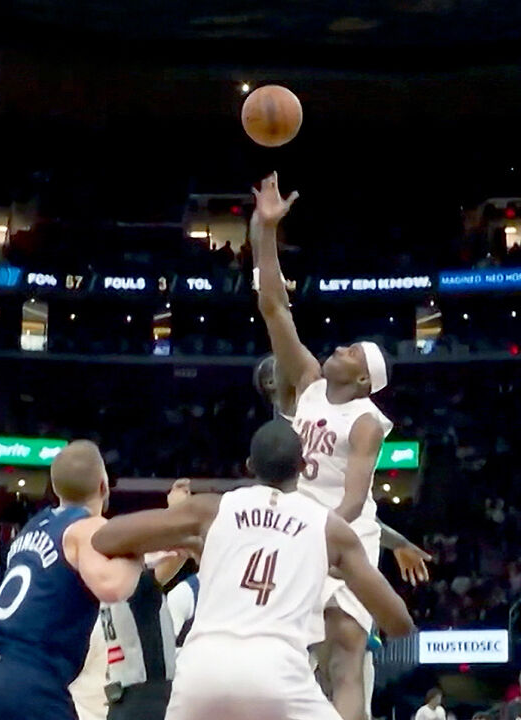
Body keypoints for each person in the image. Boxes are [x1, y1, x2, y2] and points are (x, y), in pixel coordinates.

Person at [250, 173, 429, 720]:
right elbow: (274, 308)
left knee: (346, 654)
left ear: (364, 379)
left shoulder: (367, 420)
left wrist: (318, 536)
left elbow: (353, 499)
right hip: (297, 527)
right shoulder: (307, 382)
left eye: (353, 351)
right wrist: (265, 231)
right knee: (297, 657)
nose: (341, 348)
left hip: (345, 533)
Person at [90, 419, 415, 720]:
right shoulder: (329, 528)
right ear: (303, 467)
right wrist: (341, 573)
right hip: (277, 670)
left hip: (203, 668)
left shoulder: (211, 509)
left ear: (249, 466)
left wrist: (179, 537)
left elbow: (105, 538)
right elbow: (399, 623)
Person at [0, 440, 143, 720]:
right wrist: (137, 552)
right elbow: (112, 587)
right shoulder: (88, 526)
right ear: (103, 486)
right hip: (25, 678)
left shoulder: (32, 527)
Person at [100, 480, 194, 720]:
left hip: (123, 702)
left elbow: (173, 560)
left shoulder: (112, 586)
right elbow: (180, 546)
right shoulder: (136, 585)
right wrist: (178, 509)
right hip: (148, 699)